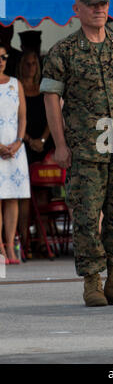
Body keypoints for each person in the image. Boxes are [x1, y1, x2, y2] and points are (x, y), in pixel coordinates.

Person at [40, 0, 113, 307]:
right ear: (77, 10)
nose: (100, 9)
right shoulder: (64, 51)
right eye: (93, 4)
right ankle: (92, 283)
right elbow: (51, 98)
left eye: (103, 3)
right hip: (86, 149)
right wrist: (59, 144)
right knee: (86, 218)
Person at [17, 50, 54, 258]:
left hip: (43, 144)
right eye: (27, 63)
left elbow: (52, 114)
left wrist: (42, 140)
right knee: (24, 195)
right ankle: (25, 240)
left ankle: (42, 239)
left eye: (34, 64)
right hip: (23, 143)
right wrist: (29, 139)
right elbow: (16, 118)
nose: (31, 67)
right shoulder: (16, 86)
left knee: (43, 193)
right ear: (21, 65)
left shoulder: (43, 88)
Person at [0, 43, 30, 265]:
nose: (1, 61)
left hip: (15, 148)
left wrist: (18, 141)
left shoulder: (15, 84)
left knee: (12, 198)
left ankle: (11, 245)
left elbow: (23, 117)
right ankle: (0, 247)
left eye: (3, 57)